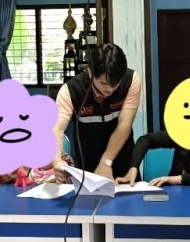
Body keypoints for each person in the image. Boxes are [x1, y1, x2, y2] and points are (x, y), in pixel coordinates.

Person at [54, 42, 141, 179]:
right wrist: (56, 160)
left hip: (123, 161)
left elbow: (124, 125)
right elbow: (57, 129)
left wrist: (106, 162)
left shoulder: (131, 81)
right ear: (91, 72)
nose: (110, 89)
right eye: (104, 83)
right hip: (88, 165)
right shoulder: (70, 91)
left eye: (115, 84)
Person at [118, 129, 190, 187]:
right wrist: (133, 167)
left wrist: (179, 179)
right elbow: (146, 140)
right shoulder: (184, 136)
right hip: (172, 197)